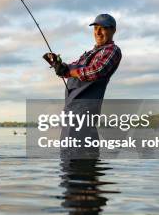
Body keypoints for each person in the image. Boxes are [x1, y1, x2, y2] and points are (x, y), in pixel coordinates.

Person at [43, 14, 122, 157]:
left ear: (113, 30)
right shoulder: (88, 54)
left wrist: (69, 71)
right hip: (71, 114)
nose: (98, 32)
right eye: (95, 28)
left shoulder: (112, 50)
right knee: (68, 163)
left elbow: (96, 70)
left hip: (84, 115)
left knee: (78, 161)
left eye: (102, 28)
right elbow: (70, 70)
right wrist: (59, 65)